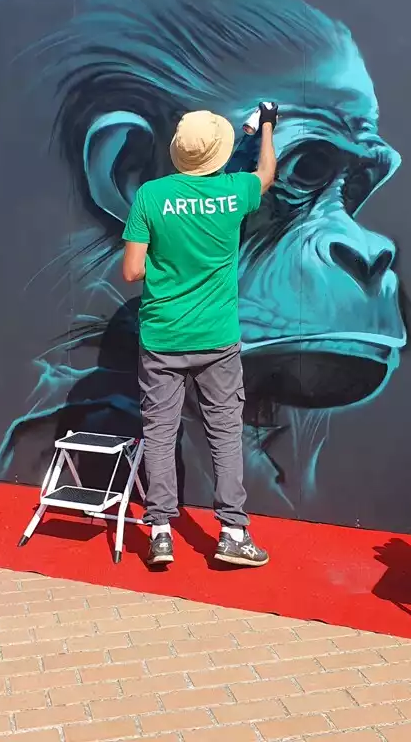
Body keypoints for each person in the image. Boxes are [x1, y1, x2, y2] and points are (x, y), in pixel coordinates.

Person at [121, 103, 278, 568]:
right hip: (216, 338)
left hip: (162, 336)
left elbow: (131, 270)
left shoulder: (151, 196)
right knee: (225, 433)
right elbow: (266, 171)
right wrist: (267, 126)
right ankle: (232, 532)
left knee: (159, 432)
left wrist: (170, 269)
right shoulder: (235, 193)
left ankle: (161, 533)